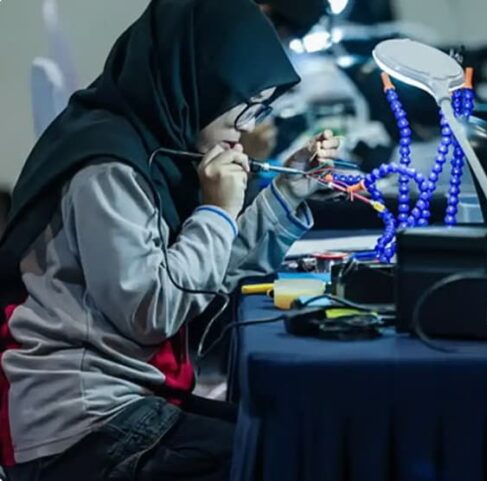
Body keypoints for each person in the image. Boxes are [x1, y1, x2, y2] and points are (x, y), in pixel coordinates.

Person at [0, 0, 340, 479]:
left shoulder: (157, 149)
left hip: (126, 400)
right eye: (245, 104)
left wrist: (287, 192)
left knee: (293, 434)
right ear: (201, 81)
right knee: (286, 457)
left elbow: (200, 275)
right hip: (81, 426)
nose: (248, 125)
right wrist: (217, 211)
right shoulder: (109, 166)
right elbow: (152, 312)